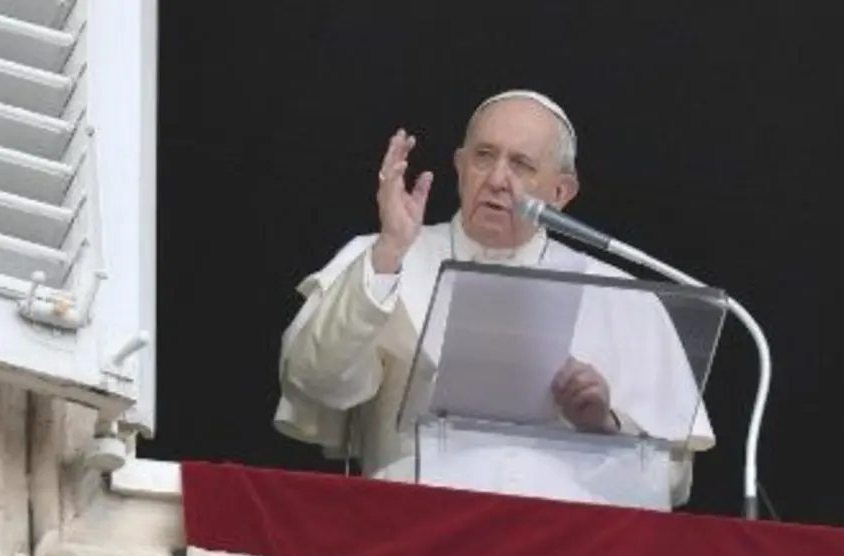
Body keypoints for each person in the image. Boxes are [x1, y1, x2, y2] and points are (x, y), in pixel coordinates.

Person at [273, 90, 715, 510]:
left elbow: (671, 482)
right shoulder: (384, 259)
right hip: (413, 534)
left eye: (522, 164)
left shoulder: (621, 298)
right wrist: (390, 251)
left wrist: (603, 428)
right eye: (484, 156)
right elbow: (316, 381)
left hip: (569, 553)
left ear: (561, 192)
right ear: (461, 167)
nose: (498, 179)